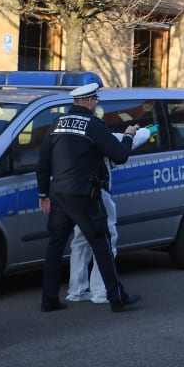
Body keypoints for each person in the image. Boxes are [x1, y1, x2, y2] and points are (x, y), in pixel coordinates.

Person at [36, 82, 142, 313]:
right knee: (102, 243)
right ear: (91, 101)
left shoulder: (56, 124)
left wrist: (43, 194)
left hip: (59, 194)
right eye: (95, 101)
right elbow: (120, 155)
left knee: (55, 246)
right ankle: (117, 298)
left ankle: (49, 300)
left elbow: (43, 162)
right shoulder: (94, 126)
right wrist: (128, 135)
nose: (96, 105)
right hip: (84, 195)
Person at [67, 122, 153, 304]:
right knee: (107, 240)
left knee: (80, 240)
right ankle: (101, 291)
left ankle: (77, 290)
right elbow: (135, 140)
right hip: (99, 195)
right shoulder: (106, 137)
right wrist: (135, 131)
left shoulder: (73, 135)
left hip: (77, 194)